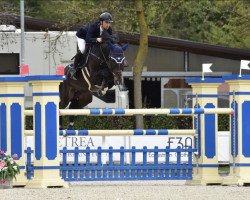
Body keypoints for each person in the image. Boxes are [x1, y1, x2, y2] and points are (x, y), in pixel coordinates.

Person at [69, 12, 113, 80]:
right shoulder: (93, 27)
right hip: (83, 37)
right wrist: (96, 39)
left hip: (93, 38)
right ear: (101, 22)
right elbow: (88, 39)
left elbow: (110, 40)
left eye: (109, 22)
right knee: (83, 49)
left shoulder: (109, 29)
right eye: (106, 22)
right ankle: (74, 68)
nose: (108, 24)